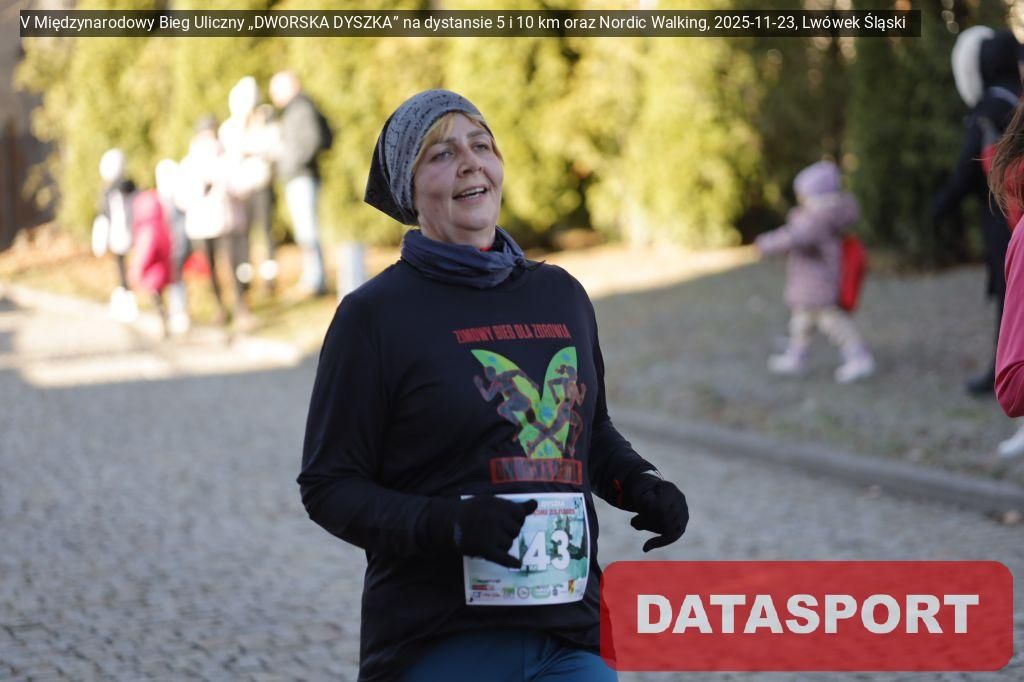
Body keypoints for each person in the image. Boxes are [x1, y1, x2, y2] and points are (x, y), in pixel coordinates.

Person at [298, 90, 688, 682]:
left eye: (481, 146)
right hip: (438, 639)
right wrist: (451, 526)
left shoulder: (560, 295)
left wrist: (637, 482)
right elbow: (328, 486)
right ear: (409, 190)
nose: (470, 163)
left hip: (570, 633)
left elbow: (589, 430)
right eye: (441, 154)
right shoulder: (373, 316)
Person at [933, 27, 1021, 397]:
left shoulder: (989, 107)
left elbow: (968, 168)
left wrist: (939, 208)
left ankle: (1004, 369)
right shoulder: (1017, 98)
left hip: (1004, 217)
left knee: (1011, 295)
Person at [756, 160, 875, 383]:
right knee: (801, 323)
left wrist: (766, 243)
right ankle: (796, 357)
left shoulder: (817, 219)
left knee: (833, 324)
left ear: (815, 195)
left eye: (802, 194)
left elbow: (794, 236)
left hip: (819, 284)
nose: (799, 198)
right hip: (811, 284)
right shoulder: (818, 217)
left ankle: (859, 357)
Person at [177, 115, 254, 330]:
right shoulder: (189, 163)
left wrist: (227, 185)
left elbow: (242, 186)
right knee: (210, 269)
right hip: (202, 225)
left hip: (226, 222)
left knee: (233, 265)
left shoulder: (226, 158)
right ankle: (220, 306)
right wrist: (200, 189)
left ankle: (240, 307)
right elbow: (182, 198)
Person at [219, 76, 280, 295]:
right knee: (243, 234)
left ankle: (269, 278)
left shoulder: (266, 121)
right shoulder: (230, 128)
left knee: (265, 230)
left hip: (262, 184)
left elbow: (273, 147)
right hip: (241, 189)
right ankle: (244, 279)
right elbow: (231, 154)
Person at [269, 70, 328, 296]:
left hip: (302, 176)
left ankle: (316, 279)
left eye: (276, 90)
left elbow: (313, 141)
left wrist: (293, 162)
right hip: (297, 175)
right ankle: (312, 276)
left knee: (308, 231)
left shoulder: (301, 108)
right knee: (305, 230)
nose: (273, 95)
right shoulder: (294, 110)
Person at [91, 148, 138, 322]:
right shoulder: (131, 187)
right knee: (126, 267)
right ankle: (128, 300)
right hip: (131, 233)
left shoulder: (110, 191)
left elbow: (105, 215)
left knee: (123, 269)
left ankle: (127, 301)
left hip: (119, 235)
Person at [128, 188, 173, 337]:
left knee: (156, 298)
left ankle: (161, 323)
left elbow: (144, 252)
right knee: (161, 297)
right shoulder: (161, 224)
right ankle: (165, 321)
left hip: (152, 270)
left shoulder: (147, 229)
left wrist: (137, 269)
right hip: (163, 268)